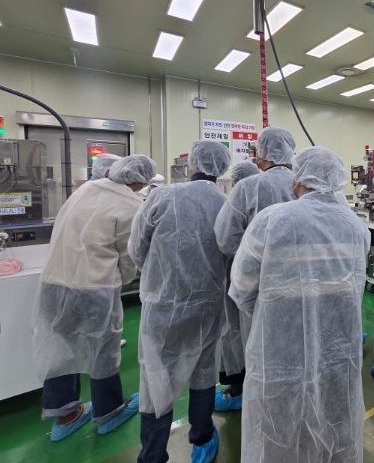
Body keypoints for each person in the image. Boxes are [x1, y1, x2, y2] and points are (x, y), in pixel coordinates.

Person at [229, 146, 369, 461]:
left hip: (280, 347)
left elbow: (241, 287)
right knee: (334, 417)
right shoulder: (356, 226)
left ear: (300, 179)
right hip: (338, 345)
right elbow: (353, 286)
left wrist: (273, 313)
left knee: (279, 426)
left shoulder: (273, 219)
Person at [32, 155, 156, 441]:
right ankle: (109, 412)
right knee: (103, 348)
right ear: (139, 181)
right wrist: (124, 279)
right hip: (94, 285)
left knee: (59, 347)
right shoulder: (131, 204)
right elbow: (129, 254)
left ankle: (66, 415)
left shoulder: (86, 189)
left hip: (53, 281)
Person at [129, 141, 231, 463]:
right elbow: (231, 254)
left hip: (163, 303)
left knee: (155, 378)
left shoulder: (163, 196)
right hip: (208, 304)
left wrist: (159, 274)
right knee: (204, 370)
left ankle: (153, 454)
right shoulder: (226, 203)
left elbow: (136, 248)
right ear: (221, 167)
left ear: (192, 165)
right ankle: (202, 436)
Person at [213, 127, 296, 411]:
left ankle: (256, 396)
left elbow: (225, 239)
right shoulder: (304, 186)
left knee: (257, 340)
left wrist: (250, 259)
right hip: (299, 281)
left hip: (257, 283)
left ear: (261, 155)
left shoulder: (249, 187)